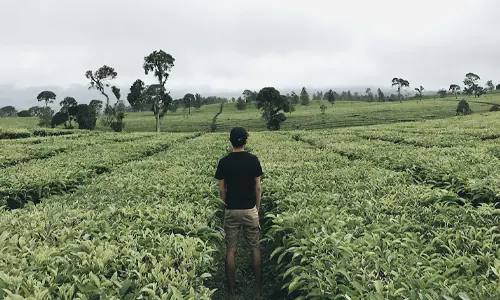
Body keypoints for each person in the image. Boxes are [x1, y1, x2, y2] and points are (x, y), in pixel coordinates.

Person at [214, 127, 263, 296]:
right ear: (246, 141)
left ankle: (231, 289)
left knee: (231, 249)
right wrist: (257, 208)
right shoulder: (253, 160)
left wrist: (224, 206)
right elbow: (258, 188)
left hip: (231, 209)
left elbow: (222, 190)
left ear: (230, 141)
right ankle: (257, 288)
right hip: (250, 209)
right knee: (255, 248)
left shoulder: (224, 162)